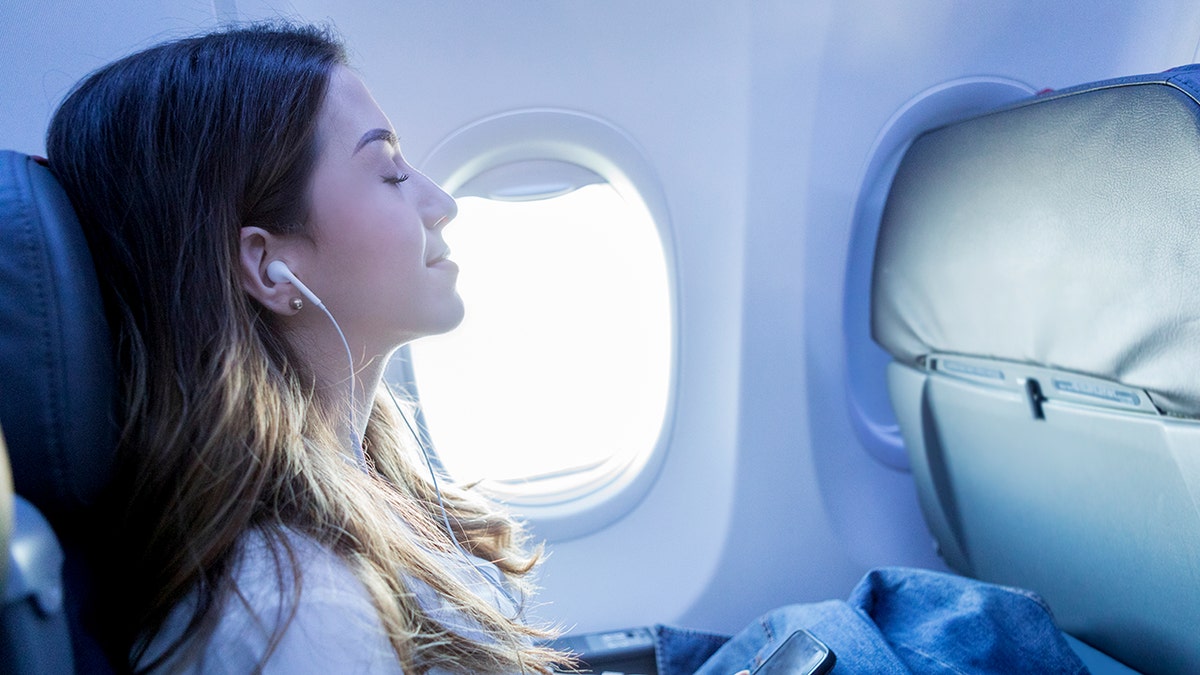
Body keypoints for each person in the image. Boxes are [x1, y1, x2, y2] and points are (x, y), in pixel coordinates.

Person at [46, 21, 1089, 675]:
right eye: (391, 171)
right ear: (269, 268)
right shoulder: (285, 616)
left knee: (941, 624)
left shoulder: (365, 479)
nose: (442, 203)